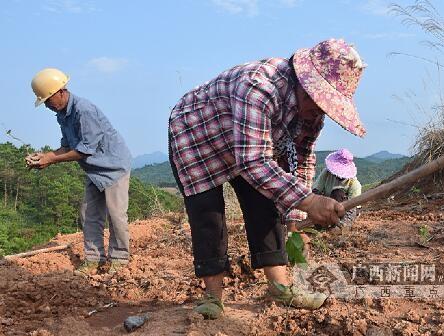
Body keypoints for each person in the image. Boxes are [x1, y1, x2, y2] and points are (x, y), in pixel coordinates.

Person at [168, 39, 367, 319]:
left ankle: (279, 287)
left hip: (248, 144)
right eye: (320, 101)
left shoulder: (311, 113)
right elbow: (252, 161)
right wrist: (309, 201)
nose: (321, 111)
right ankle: (212, 296)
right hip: (197, 134)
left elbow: (302, 157)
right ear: (304, 83)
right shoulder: (259, 87)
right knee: (207, 213)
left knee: (265, 201)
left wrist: (297, 215)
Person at [27, 68, 132, 275]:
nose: (47, 105)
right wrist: (44, 156)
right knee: (89, 214)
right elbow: (67, 146)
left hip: (112, 167)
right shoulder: (62, 115)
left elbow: (85, 150)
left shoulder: (84, 110)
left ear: (61, 91)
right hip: (94, 170)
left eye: (48, 99)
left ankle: (119, 259)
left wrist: (51, 159)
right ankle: (94, 259)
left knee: (116, 215)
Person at [312, 148, 362, 228]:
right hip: (328, 206)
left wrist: (343, 225)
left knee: (337, 193)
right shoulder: (327, 173)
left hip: (345, 210)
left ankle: (335, 223)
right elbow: (316, 191)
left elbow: (352, 208)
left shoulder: (354, 184)